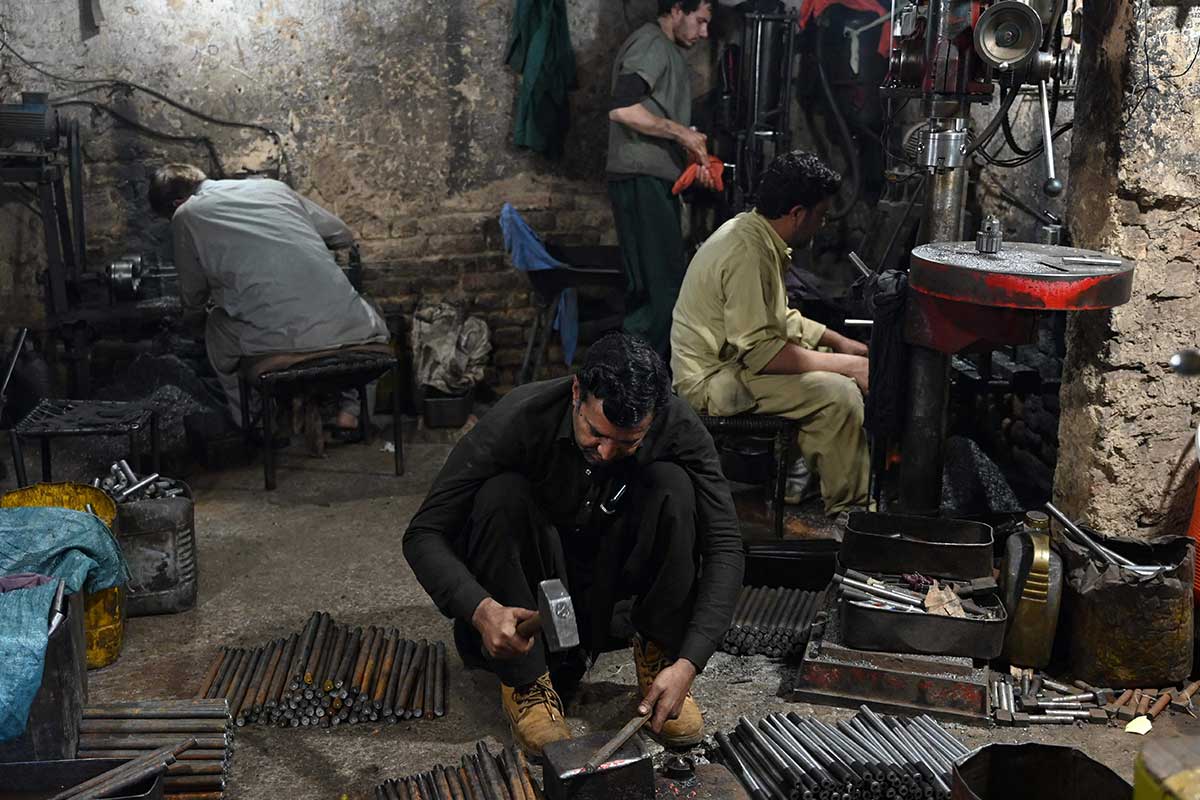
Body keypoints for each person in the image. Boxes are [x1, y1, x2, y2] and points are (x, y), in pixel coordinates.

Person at [403, 332, 743, 758]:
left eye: (627, 443)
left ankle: (660, 658)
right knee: (500, 496)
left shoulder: (677, 424)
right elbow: (423, 534)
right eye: (595, 433)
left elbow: (725, 545)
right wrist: (481, 608)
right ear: (577, 392)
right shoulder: (519, 418)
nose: (604, 451)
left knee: (674, 487)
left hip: (609, 595)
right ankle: (525, 681)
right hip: (530, 591)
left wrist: (689, 661)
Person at [670, 151, 870, 515]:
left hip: (731, 365)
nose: (822, 224)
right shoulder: (748, 251)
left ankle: (796, 482)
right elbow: (763, 352)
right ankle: (851, 516)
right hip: (711, 380)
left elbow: (778, 319)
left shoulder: (756, 234)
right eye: (821, 214)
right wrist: (849, 368)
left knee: (829, 365)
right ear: (797, 214)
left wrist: (839, 343)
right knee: (839, 393)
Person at [148, 164, 389, 432]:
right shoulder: (273, 188)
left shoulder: (186, 214)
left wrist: (193, 319)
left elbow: (193, 295)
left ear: (177, 202)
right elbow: (342, 235)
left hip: (280, 341)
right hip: (349, 330)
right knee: (367, 314)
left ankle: (257, 425)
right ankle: (351, 415)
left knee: (215, 326)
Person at [607, 0, 715, 357]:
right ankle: (637, 383)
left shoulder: (665, 49)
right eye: (699, 21)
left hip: (652, 178)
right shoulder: (651, 43)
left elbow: (651, 112)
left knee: (655, 289)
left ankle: (635, 381)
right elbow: (622, 107)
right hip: (641, 178)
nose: (704, 32)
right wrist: (681, 134)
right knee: (661, 290)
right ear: (677, 10)